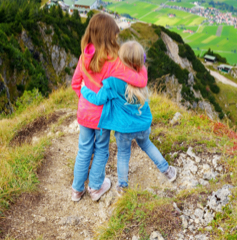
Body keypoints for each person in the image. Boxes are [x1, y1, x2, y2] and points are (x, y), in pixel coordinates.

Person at [81, 40, 177, 194]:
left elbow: (98, 99)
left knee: (123, 154)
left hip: (123, 128)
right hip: (143, 124)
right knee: (147, 145)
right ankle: (168, 171)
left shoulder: (112, 81)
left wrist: (84, 90)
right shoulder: (142, 75)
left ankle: (123, 186)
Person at [70, 13, 148, 202]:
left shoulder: (84, 56)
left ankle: (76, 190)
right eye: (114, 35)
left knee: (84, 149)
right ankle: (96, 187)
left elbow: (75, 84)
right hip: (102, 116)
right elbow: (140, 80)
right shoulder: (114, 62)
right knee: (102, 149)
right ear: (109, 36)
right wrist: (142, 65)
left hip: (83, 114)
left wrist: (85, 101)